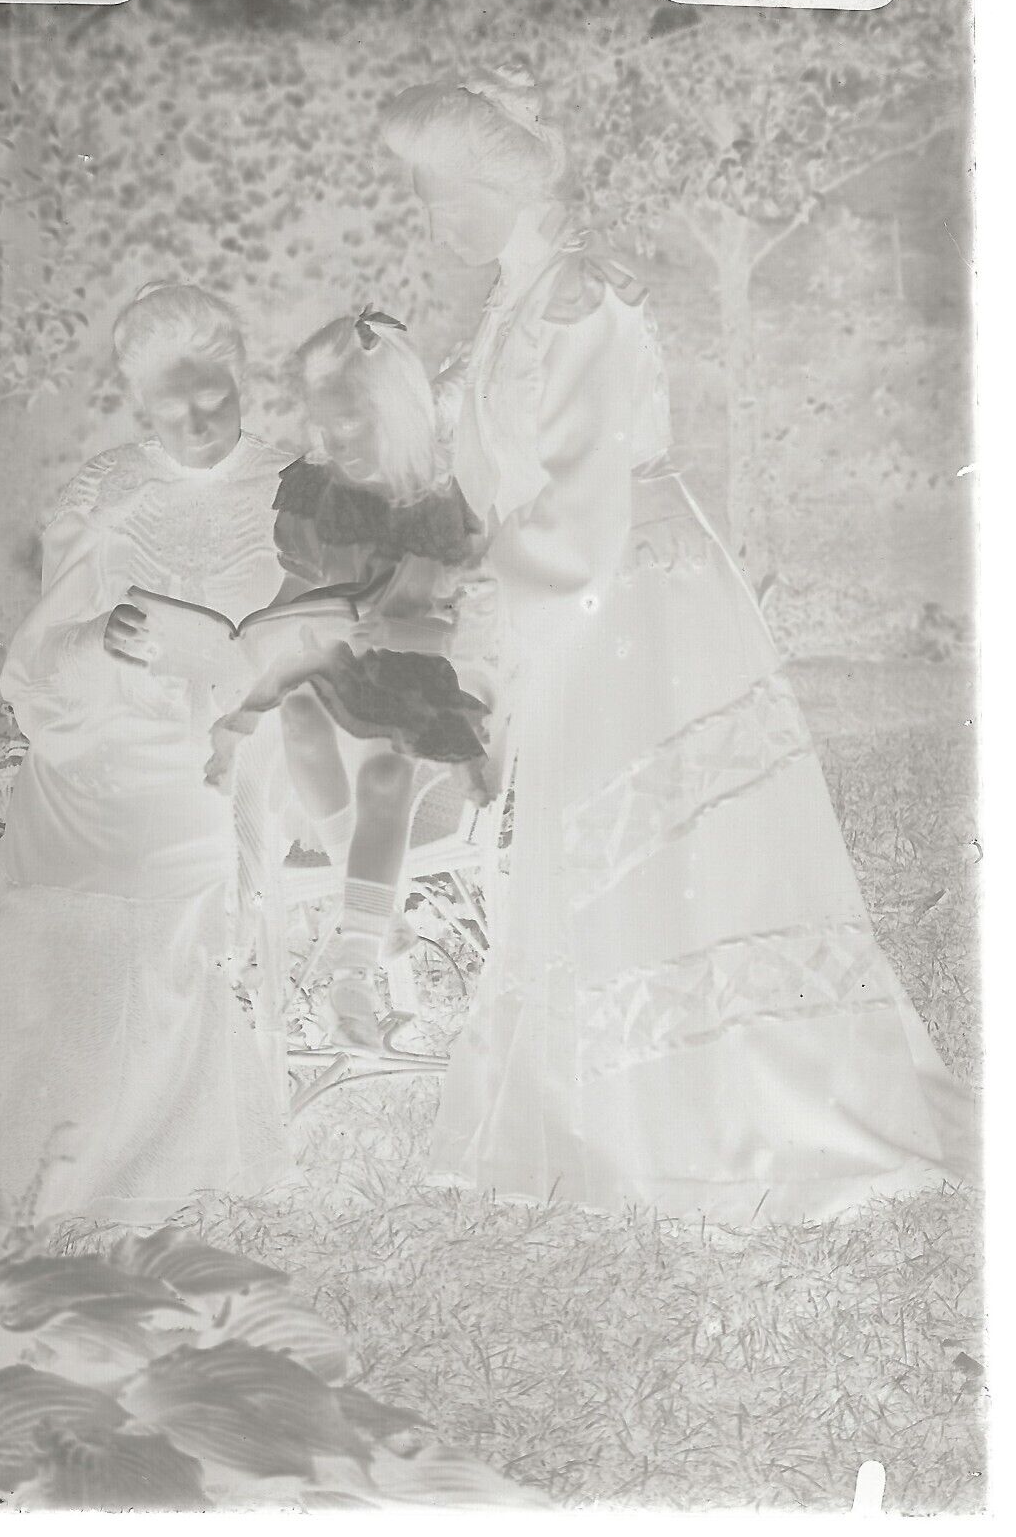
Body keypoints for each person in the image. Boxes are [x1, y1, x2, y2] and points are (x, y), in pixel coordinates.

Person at [381, 62, 980, 1224]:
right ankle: (601, 1102)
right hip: (583, 599)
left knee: (658, 855)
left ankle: (703, 1119)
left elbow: (583, 492)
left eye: (437, 191)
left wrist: (463, 583)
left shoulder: (577, 302)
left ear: (497, 185)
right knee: (594, 854)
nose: (427, 217)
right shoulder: (520, 296)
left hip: (631, 601)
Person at [0, 283, 297, 1223]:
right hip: (107, 733)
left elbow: (330, 633)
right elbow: (44, 656)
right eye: (168, 408)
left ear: (244, 378)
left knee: (148, 864)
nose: (194, 422)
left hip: (236, 738)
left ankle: (121, 1143)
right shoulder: (106, 490)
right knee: (55, 864)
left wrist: (231, 673)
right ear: (138, 406)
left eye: (212, 397)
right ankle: (11, 1137)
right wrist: (102, 637)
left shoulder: (297, 489)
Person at [205, 310, 492, 1048]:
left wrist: (388, 628)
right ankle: (363, 901)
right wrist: (267, 634)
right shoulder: (315, 486)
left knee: (387, 774)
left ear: (397, 417)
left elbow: (441, 628)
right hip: (325, 668)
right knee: (299, 708)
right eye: (322, 427)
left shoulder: (427, 503)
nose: (332, 445)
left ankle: (354, 963)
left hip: (405, 678)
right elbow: (293, 594)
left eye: (351, 427)